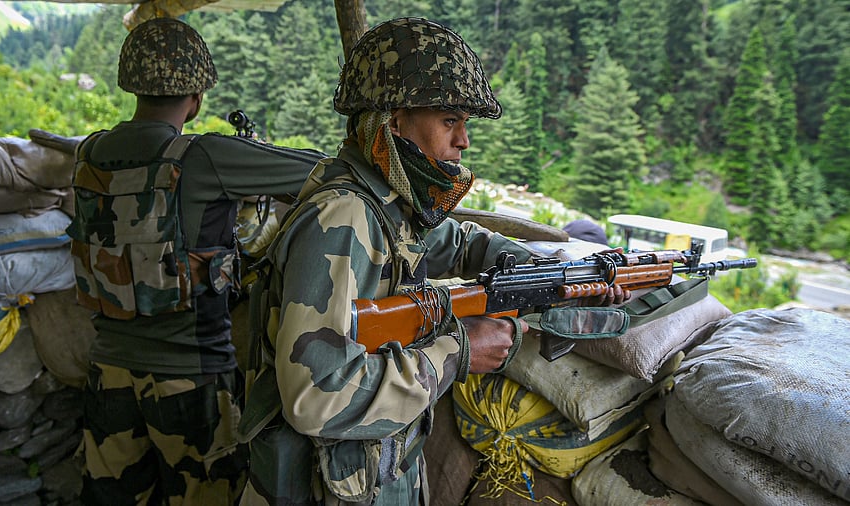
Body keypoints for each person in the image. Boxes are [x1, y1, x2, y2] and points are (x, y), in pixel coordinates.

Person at [240, 17, 628, 505]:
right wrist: (457, 351)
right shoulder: (345, 218)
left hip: (366, 474)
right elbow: (316, 397)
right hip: (321, 486)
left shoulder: (386, 204)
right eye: (450, 121)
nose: (463, 140)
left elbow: (460, 241)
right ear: (394, 121)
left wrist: (555, 275)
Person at [65, 17, 324, 506]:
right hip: (191, 378)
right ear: (198, 96)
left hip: (108, 374)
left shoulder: (89, 152)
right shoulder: (203, 156)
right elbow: (318, 171)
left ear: (131, 84)